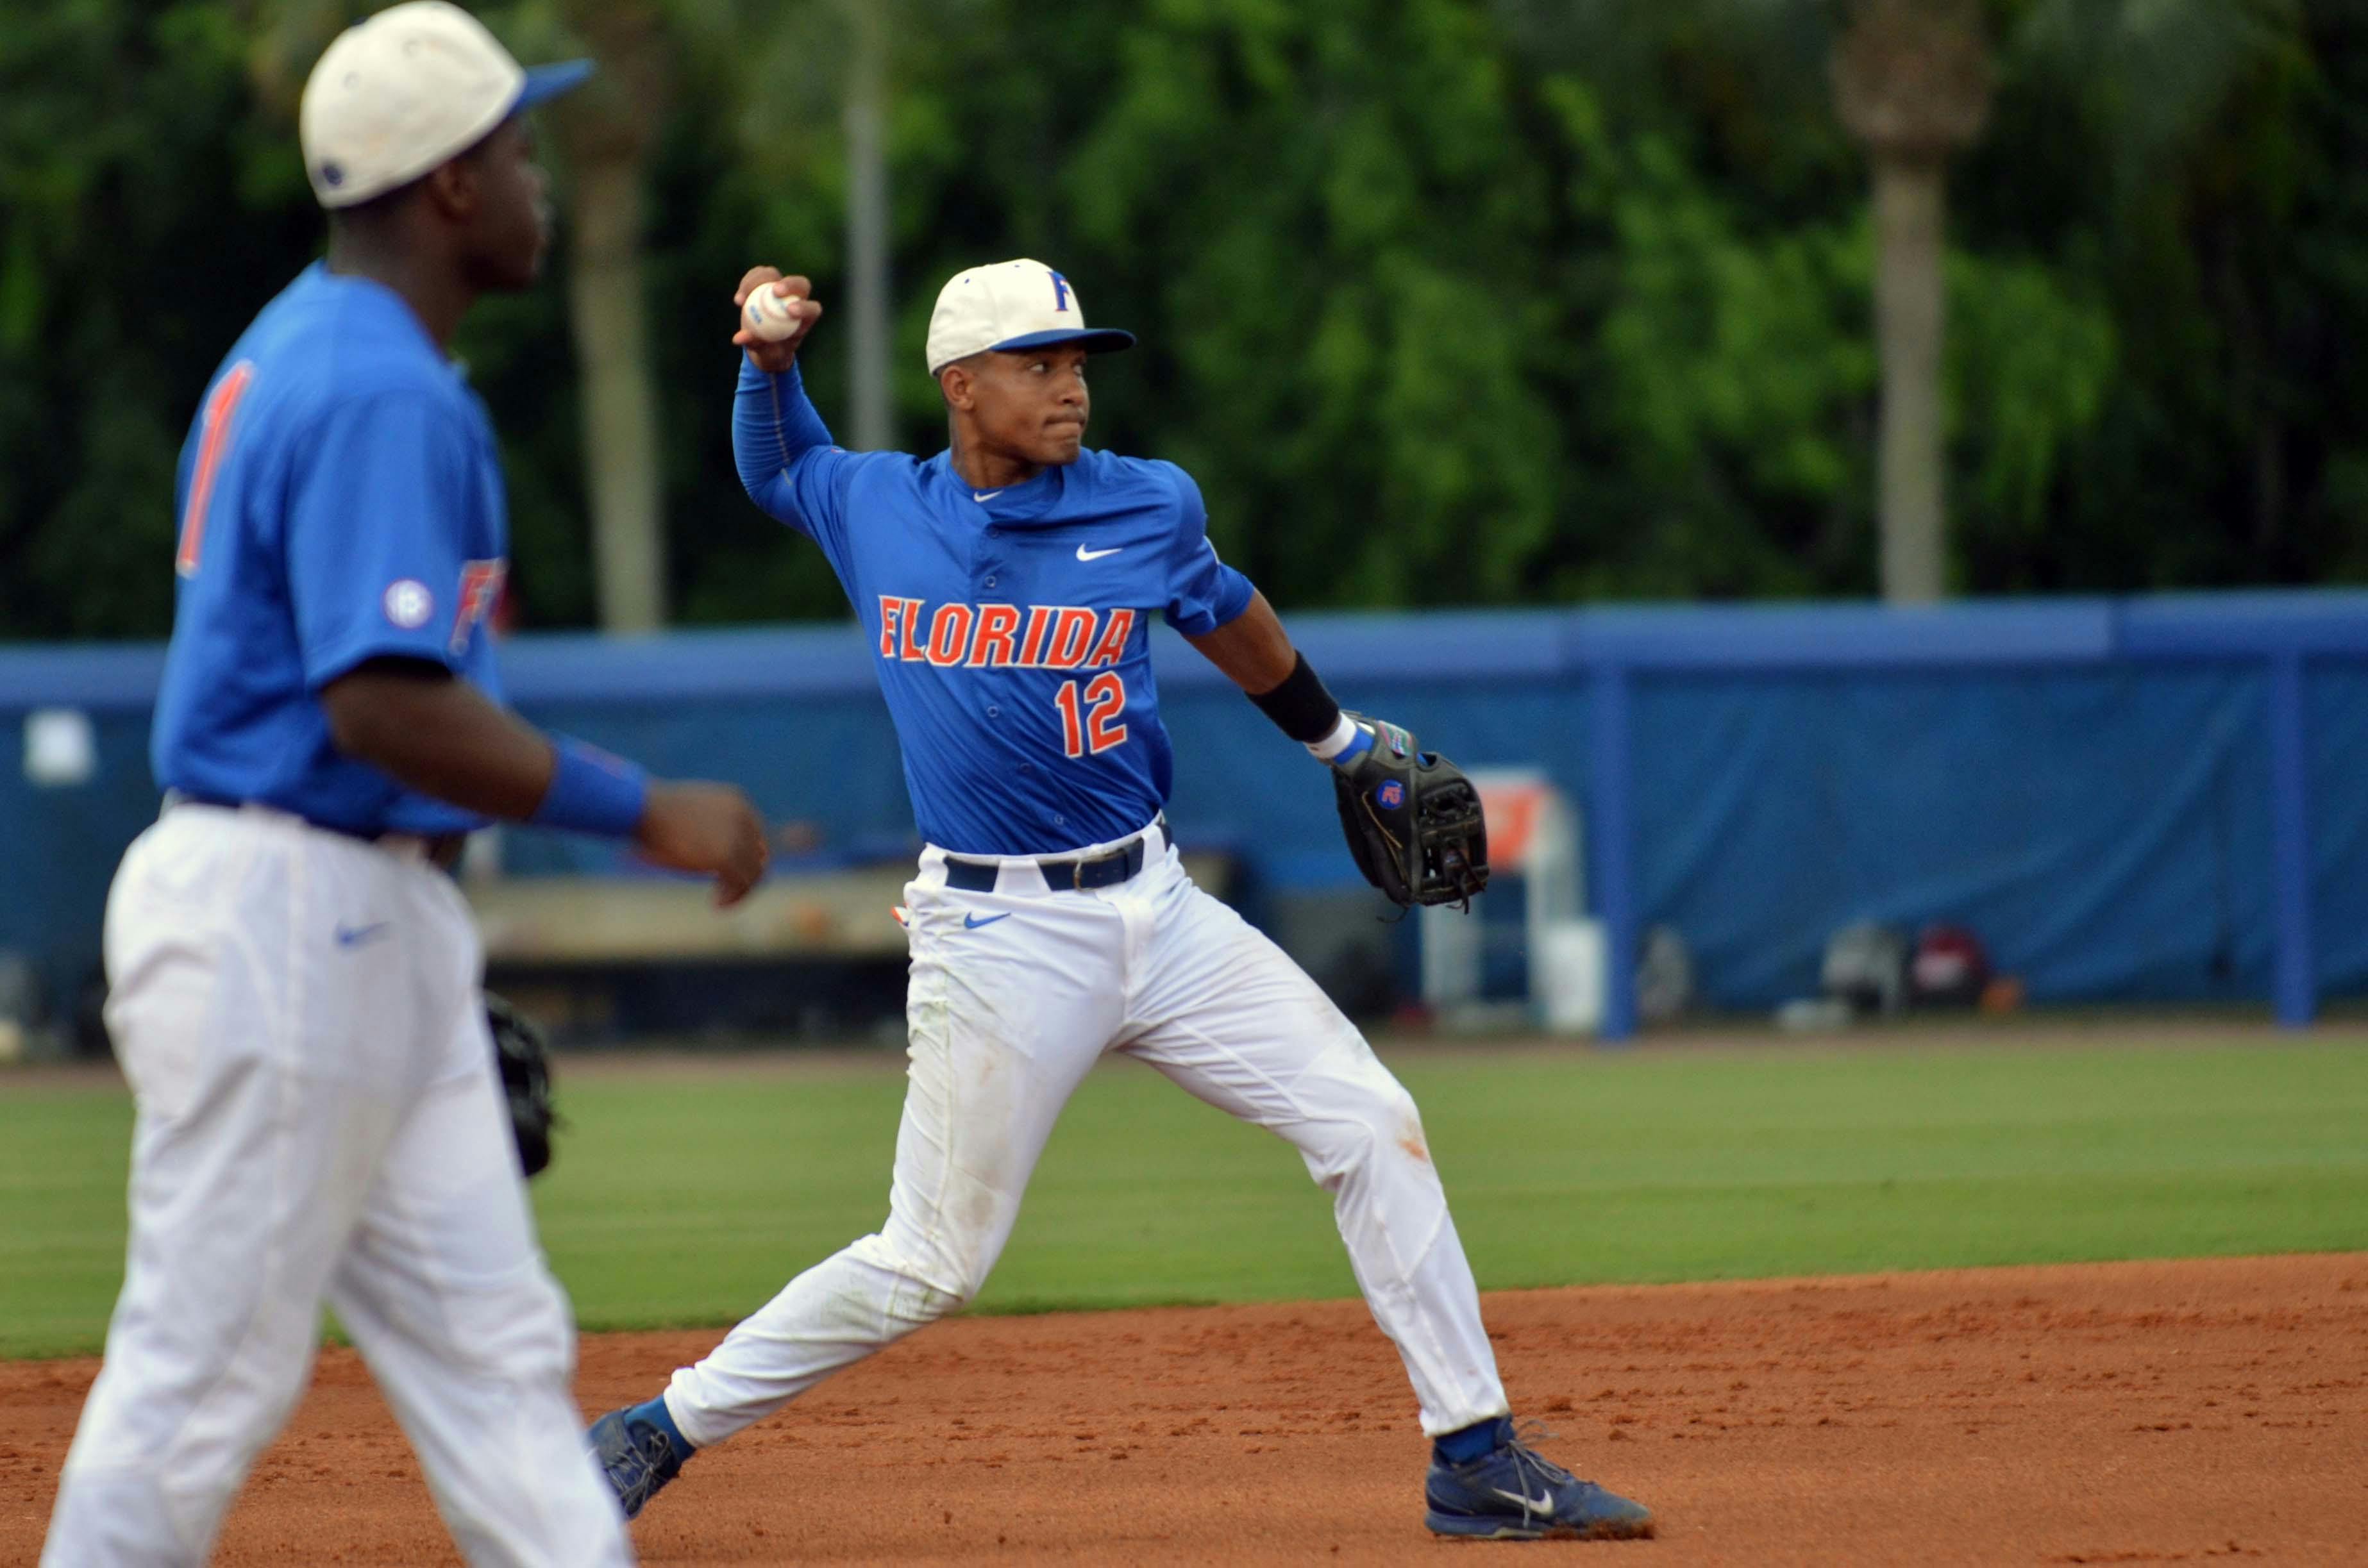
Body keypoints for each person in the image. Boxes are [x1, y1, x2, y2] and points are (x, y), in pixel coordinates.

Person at [587, 260, 1650, 1542]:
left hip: (1160, 908)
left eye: (1081, 361)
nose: (1072, 385)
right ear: (961, 386)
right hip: (997, 937)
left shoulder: (1143, 504)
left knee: (1372, 1118)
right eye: (1041, 363)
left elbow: (1228, 613)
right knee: (932, 1262)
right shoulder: (878, 505)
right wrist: (767, 364)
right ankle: (655, 1428)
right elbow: (775, 466)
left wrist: (1341, 743)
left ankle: (1473, 1453)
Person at [41, 6, 769, 1564]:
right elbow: (379, 707)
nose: (537, 181)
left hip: (349, 914)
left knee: (499, 1363)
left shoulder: (303, 346)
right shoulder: (378, 386)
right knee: (201, 1374)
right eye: (515, 149)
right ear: (445, 188)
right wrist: (646, 809)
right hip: (289, 907)